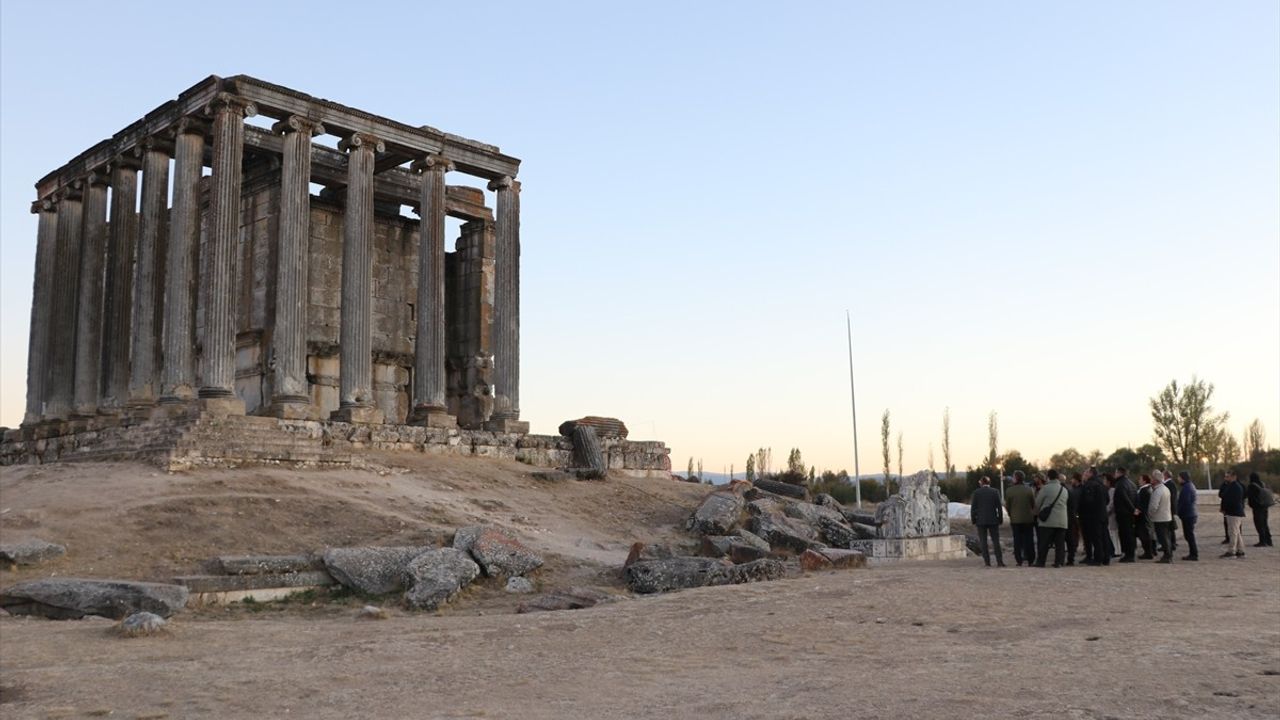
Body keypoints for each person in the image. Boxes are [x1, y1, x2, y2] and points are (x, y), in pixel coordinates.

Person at [1034, 469, 1069, 567]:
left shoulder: (1045, 488)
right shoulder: (1064, 490)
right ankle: (1059, 562)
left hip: (1047, 521)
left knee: (1044, 543)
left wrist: (1037, 514)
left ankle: (1041, 562)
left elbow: (1037, 503)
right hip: (1062, 520)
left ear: (1048, 477)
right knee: (1060, 544)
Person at [970, 476, 1005, 567]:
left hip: (981, 520)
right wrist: (1000, 519)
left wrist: (973, 519)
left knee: (983, 541)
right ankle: (999, 561)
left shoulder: (977, 493)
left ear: (981, 482)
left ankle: (987, 562)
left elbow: (973, 508)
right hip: (993, 520)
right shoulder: (995, 492)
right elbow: (999, 507)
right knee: (996, 541)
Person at [1006, 471, 1037, 567]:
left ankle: (1019, 559)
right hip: (1028, 519)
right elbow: (1033, 503)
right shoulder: (1029, 490)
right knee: (1029, 539)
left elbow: (1008, 506)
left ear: (1016, 478)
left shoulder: (1009, 490)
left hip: (1015, 519)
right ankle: (1031, 559)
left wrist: (1011, 514)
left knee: (1017, 540)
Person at [1079, 467, 1110, 565]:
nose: (1084, 474)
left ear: (1091, 473)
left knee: (1096, 538)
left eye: (1086, 472)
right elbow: (1107, 499)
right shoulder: (1102, 484)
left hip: (1092, 516)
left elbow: (1088, 501)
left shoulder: (1089, 485)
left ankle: (1098, 559)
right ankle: (1106, 558)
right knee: (1104, 537)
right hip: (1103, 514)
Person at [1112, 467, 1138, 562]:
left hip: (1123, 513)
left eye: (1115, 472)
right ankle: (1130, 553)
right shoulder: (1131, 484)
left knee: (1125, 534)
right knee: (1130, 533)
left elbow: (1124, 498)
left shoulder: (1120, 484)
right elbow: (1135, 496)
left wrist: (1132, 509)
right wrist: (1134, 509)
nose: (1114, 475)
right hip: (1130, 513)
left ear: (1119, 473)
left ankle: (1128, 555)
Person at [1148, 470, 1173, 563]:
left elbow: (1154, 506)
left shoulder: (1158, 491)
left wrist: (1150, 514)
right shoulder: (1165, 489)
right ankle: (1169, 554)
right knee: (1166, 537)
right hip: (1166, 516)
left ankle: (1167, 556)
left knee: (1162, 538)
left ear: (1155, 480)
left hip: (1160, 517)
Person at [1219, 471, 1246, 558]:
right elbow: (1223, 495)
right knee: (1236, 532)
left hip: (1234, 512)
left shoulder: (1235, 487)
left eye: (1228, 477)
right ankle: (1240, 550)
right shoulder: (1231, 486)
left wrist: (1226, 509)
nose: (1226, 478)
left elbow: (1232, 500)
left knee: (1233, 532)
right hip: (1232, 511)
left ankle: (1232, 551)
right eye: (1225, 477)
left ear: (1234, 477)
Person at [1246, 472, 1274, 547]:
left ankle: (1262, 541)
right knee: (1265, 524)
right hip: (1265, 506)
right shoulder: (1262, 484)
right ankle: (1269, 541)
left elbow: (1251, 497)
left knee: (1259, 524)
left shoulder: (1252, 486)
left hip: (1257, 508)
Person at [1177, 470, 1199, 561]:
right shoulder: (1190, 486)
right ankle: (1193, 553)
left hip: (1188, 514)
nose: (1177, 479)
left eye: (1179, 477)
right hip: (1191, 513)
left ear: (1183, 478)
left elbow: (1185, 502)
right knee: (1189, 535)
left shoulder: (1186, 488)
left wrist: (1179, 511)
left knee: (1189, 535)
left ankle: (1194, 554)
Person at [1135, 474, 1156, 559]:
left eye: (1140, 479)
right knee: (1148, 534)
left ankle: (1148, 553)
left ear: (1144, 481)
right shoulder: (1149, 489)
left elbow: (1142, 503)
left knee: (1144, 534)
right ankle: (1151, 551)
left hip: (1143, 515)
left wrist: (1137, 511)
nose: (1138, 481)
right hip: (1147, 515)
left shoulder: (1144, 490)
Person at [1065, 472, 1083, 566]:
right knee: (1074, 535)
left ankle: (1073, 552)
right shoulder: (1075, 490)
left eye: (1072, 479)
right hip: (1075, 515)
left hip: (1074, 515)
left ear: (1076, 479)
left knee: (1074, 535)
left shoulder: (1075, 491)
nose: (1071, 480)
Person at [1162, 469, 1179, 553]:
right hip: (1170, 509)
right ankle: (1172, 543)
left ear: (1165, 476)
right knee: (1170, 527)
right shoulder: (1171, 484)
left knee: (1169, 528)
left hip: (1168, 509)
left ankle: (1171, 544)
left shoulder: (1169, 484)